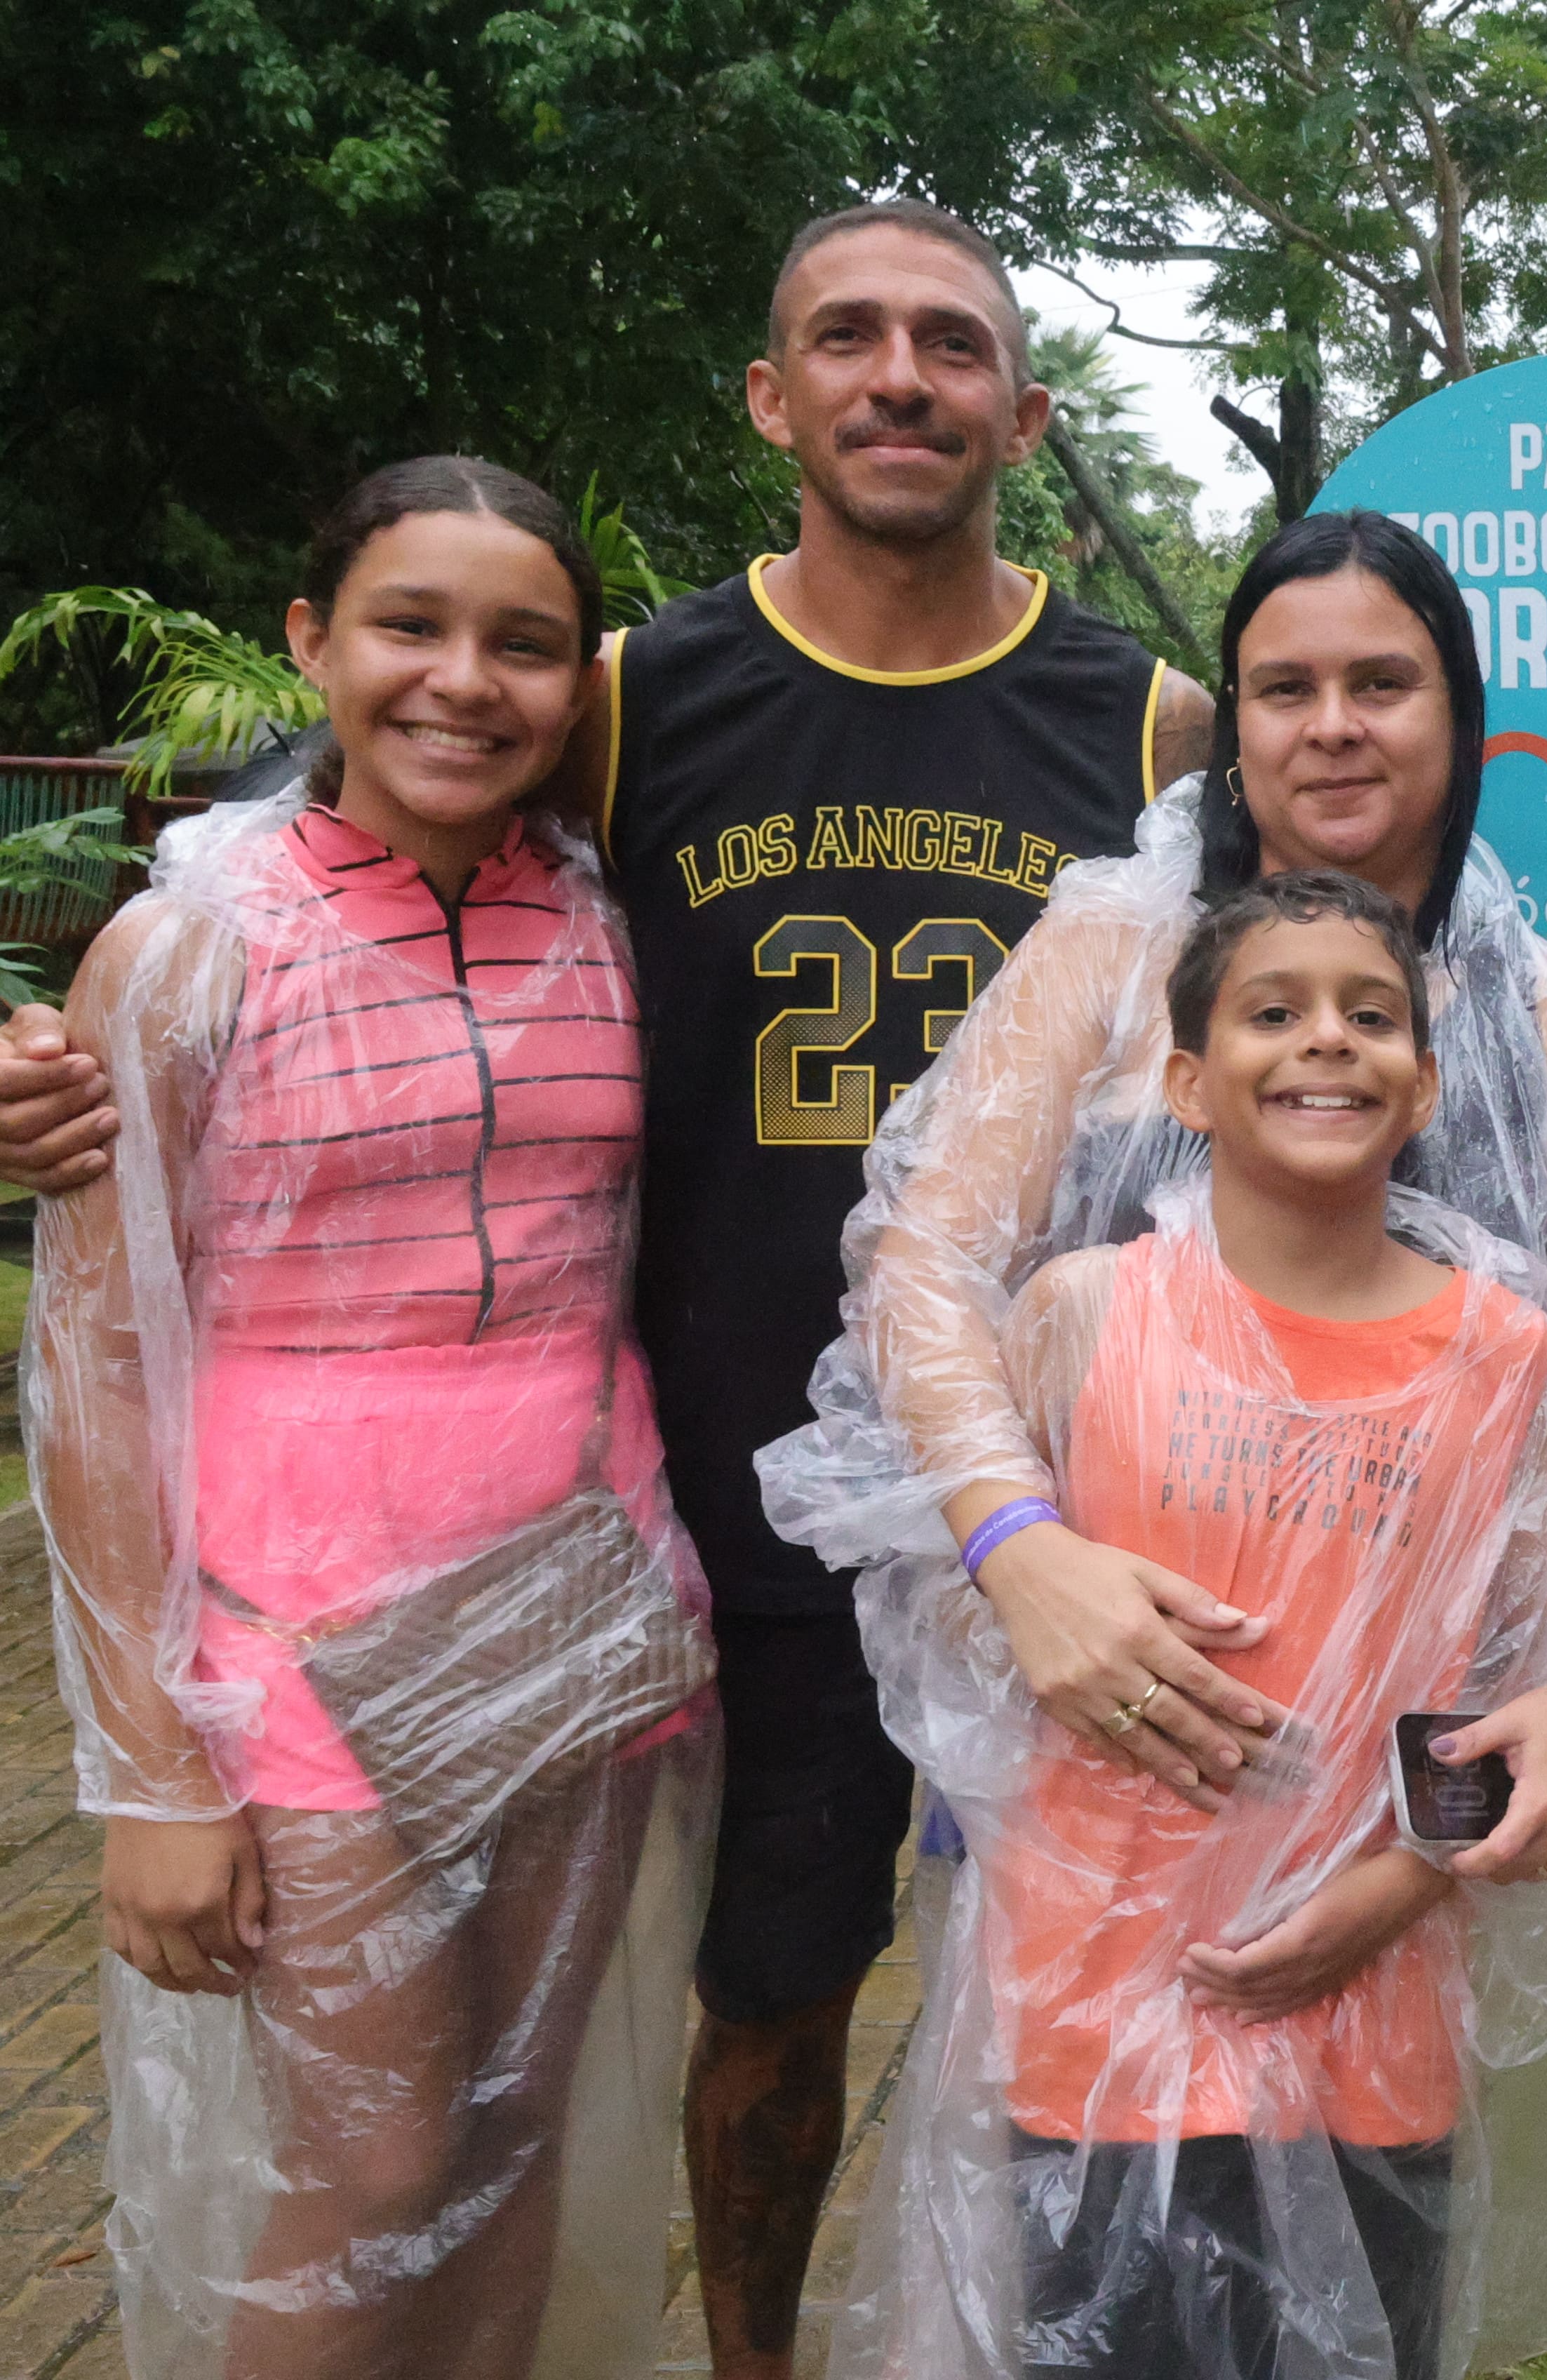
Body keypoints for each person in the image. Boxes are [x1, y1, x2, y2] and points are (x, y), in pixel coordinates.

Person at [0, 202, 1216, 2376]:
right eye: (846, 337)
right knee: (713, 2026)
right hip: (688, 1522)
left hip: (1059, 1510)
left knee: (1057, 2017)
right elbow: (366, 809)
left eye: (951, 343)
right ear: (775, 398)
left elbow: (1284, 1029)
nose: (899, 377)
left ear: (1024, 410)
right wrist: (79, 1040)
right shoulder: (643, 689)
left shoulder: (1148, 721)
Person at [759, 508, 1547, 2359]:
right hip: (1102, 1783)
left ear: (1462, 715)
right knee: (1085, 2293)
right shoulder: (1107, 960)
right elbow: (922, 1263)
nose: (1335, 726)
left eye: (1387, 682)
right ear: (1234, 722)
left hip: (1400, 1833)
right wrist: (1012, 1543)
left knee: (1358, 2284)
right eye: (1286, 687)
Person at [31, 458, 716, 2378]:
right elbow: (89, 1363)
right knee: (375, 2158)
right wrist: (153, 1770)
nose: (464, 683)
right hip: (295, 1640)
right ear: (311, 644)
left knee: (511, 2137)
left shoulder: (602, 914)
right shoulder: (186, 947)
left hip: (578, 1595)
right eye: (412, 627)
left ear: (581, 684)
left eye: (526, 644)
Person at [826, 869, 1547, 2378]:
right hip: (1093, 2009)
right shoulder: (1081, 1312)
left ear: (1426, 1079)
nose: (1326, 1042)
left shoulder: (1504, 1360)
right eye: (1276, 1010)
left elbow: (1527, 1687)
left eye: (1368, 1015)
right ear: (1187, 1080)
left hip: (1372, 2017)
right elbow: (964, 1627)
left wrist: (1402, 1883)